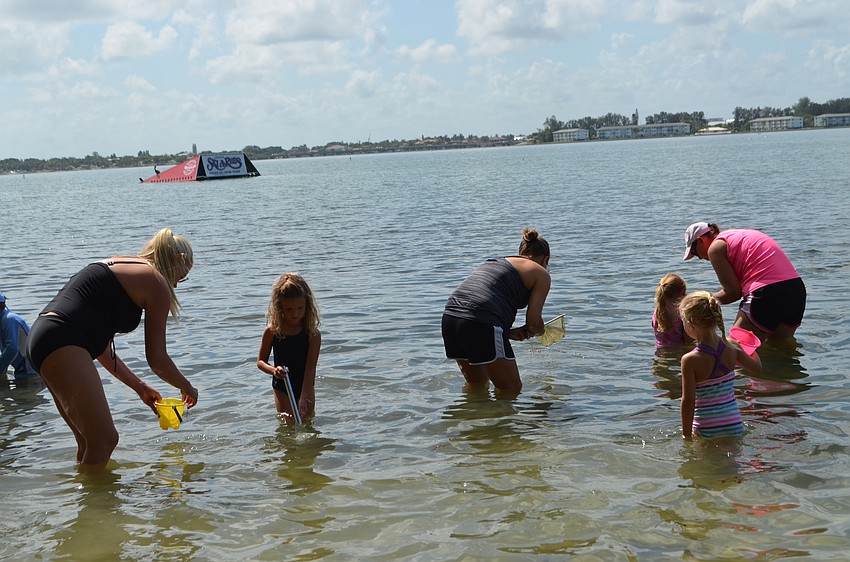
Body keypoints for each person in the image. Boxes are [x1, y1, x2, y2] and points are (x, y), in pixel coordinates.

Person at [26, 228, 199, 472]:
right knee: (105, 440)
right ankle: (96, 507)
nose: (177, 285)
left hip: (44, 338)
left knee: (89, 443)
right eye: (182, 277)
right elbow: (157, 358)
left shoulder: (123, 265)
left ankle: (85, 502)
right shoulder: (155, 280)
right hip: (63, 339)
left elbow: (101, 348)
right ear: (178, 261)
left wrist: (139, 386)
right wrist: (186, 386)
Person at [441, 228, 551, 395]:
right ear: (546, 259)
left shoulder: (496, 261)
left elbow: (478, 302)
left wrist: (506, 333)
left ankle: (471, 420)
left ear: (521, 252)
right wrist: (542, 332)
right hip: (481, 322)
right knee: (511, 389)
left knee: (477, 386)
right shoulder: (541, 273)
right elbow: (534, 322)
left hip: (451, 318)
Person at [683, 222, 806, 342]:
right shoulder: (738, 234)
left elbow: (732, 293)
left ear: (700, 240)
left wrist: (695, 303)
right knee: (779, 349)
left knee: (735, 350)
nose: (699, 258)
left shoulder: (715, 248)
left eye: (694, 252)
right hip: (796, 291)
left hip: (768, 293)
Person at [679, 291, 761, 440]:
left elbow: (688, 401)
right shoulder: (733, 346)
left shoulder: (690, 360)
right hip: (733, 422)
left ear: (690, 324)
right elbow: (757, 368)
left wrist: (686, 436)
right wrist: (751, 348)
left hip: (706, 425)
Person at [257, 273, 321, 421]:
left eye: (300, 308)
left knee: (306, 420)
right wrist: (274, 370)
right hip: (282, 384)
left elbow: (310, 368)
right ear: (280, 307)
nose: (295, 314)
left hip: (305, 383)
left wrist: (304, 396)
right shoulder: (272, 331)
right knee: (288, 421)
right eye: (289, 309)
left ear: (308, 305)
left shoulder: (312, 334)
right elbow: (260, 361)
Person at [0, 291, 39, 382]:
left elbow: (12, 349)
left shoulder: (9, 319)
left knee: (24, 395)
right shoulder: (4, 319)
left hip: (30, 371)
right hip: (23, 370)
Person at [652, 274, 689, 350]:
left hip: (660, 353)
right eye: (685, 294)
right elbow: (689, 342)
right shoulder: (683, 315)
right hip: (680, 354)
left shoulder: (657, 313)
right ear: (680, 295)